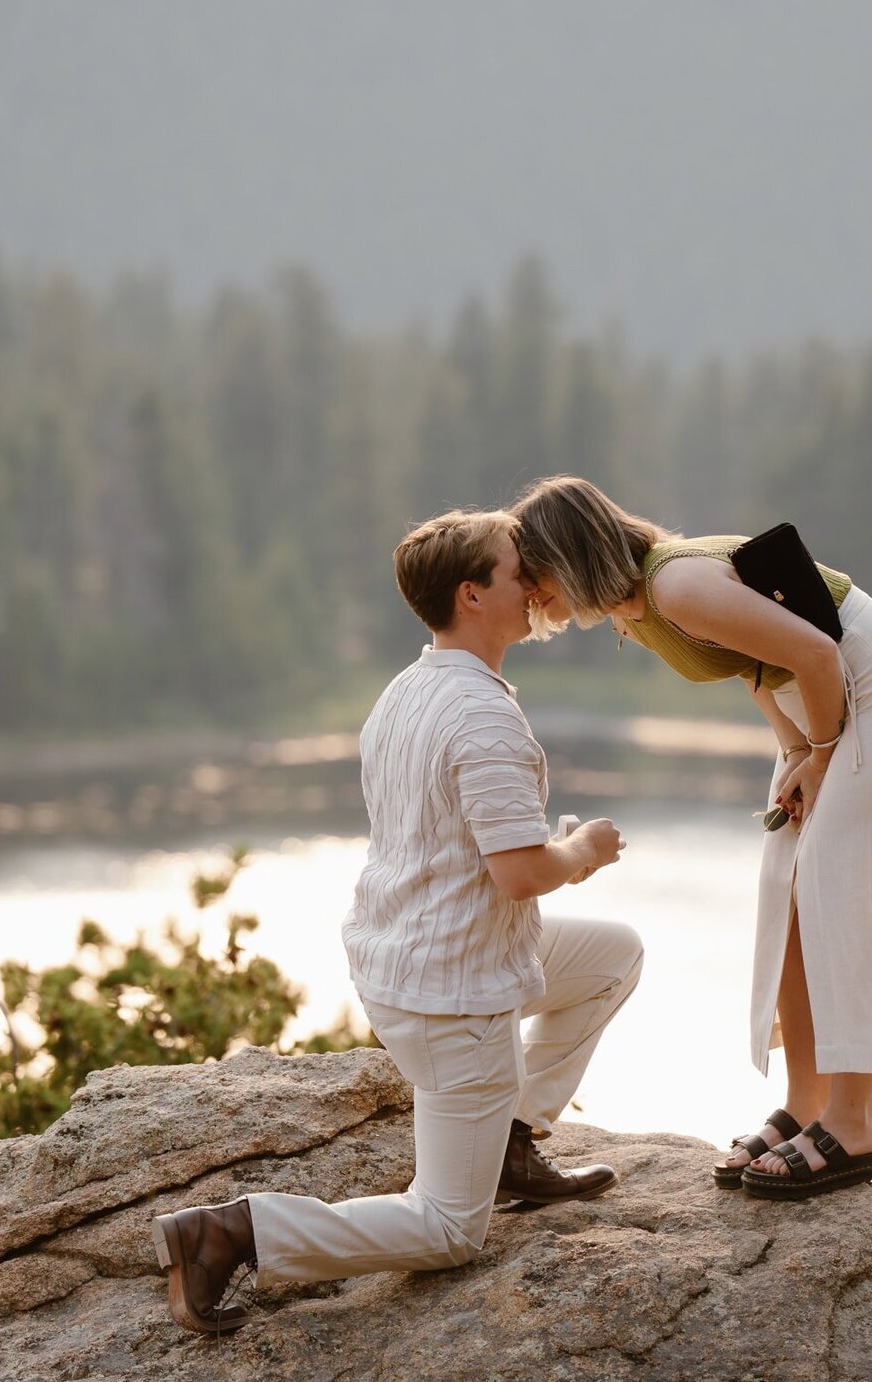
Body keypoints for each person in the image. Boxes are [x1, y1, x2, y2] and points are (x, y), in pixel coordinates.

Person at [152, 508, 642, 1335]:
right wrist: (583, 850)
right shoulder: (483, 716)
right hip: (455, 994)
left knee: (613, 956)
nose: (536, 584)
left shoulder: (407, 690)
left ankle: (512, 1137)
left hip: (415, 956)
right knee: (448, 1229)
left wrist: (546, 851)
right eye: (518, 570)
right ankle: (233, 1233)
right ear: (471, 594)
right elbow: (521, 874)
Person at [514, 475, 872, 1201]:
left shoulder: (674, 586)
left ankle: (854, 1125)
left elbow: (818, 653)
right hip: (823, 699)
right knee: (787, 884)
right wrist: (797, 748)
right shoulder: (635, 605)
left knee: (840, 885)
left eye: (534, 573)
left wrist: (822, 754)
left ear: (570, 555)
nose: (530, 592)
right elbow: (752, 662)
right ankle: (806, 1103)